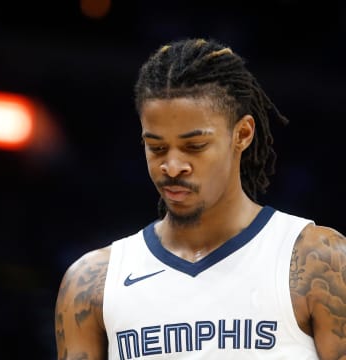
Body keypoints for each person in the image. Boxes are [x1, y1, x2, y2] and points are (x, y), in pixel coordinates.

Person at [54, 37, 346, 359]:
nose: (173, 167)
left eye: (195, 147)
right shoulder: (91, 283)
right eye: (157, 147)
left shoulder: (320, 261)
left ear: (243, 134)